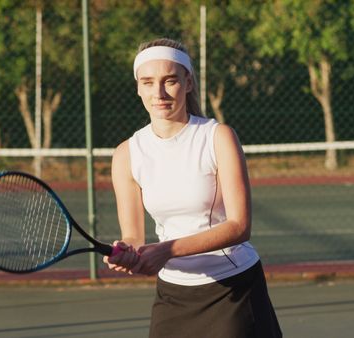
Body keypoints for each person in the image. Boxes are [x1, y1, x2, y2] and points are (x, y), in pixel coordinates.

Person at [104, 38, 282, 338]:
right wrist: (126, 252)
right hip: (173, 294)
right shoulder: (126, 154)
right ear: (138, 87)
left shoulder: (218, 137)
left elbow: (240, 226)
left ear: (188, 83)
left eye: (169, 80)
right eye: (148, 82)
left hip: (233, 289)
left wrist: (167, 250)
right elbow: (133, 235)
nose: (158, 93)